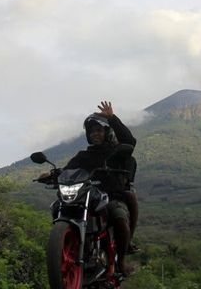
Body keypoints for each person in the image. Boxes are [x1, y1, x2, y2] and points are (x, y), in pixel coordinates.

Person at [64, 101, 138, 276]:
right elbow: (68, 170)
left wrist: (112, 118)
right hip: (87, 197)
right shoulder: (83, 156)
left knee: (120, 217)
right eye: (92, 131)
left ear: (106, 133)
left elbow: (130, 141)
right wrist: (52, 174)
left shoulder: (116, 151)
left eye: (99, 130)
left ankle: (122, 260)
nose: (95, 134)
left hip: (111, 197)